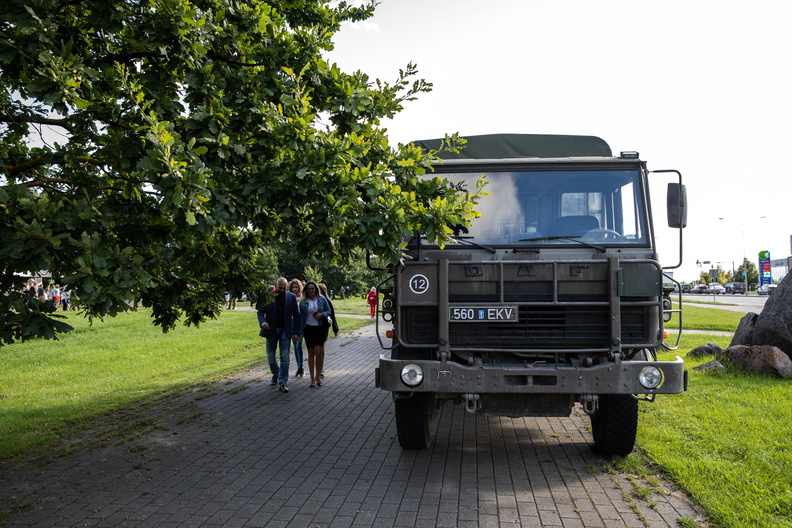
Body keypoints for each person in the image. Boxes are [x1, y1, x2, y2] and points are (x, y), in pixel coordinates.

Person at [257, 277, 301, 393]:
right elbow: (260, 312)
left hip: (285, 330)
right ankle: (276, 374)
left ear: (287, 287)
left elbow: (296, 316)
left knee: (284, 356)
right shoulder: (269, 296)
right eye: (280, 288)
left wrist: (296, 333)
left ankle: (282, 382)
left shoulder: (291, 297)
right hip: (271, 330)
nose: (282, 290)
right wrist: (263, 322)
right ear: (276, 286)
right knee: (270, 356)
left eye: (284, 288)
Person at [299, 280, 331, 388]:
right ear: (306, 290)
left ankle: (318, 376)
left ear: (316, 289)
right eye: (309, 289)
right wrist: (300, 334)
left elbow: (329, 311)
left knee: (319, 352)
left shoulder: (321, 299)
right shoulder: (303, 302)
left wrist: (321, 315)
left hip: (320, 328)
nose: (311, 291)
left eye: (313, 288)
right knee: (311, 354)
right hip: (308, 329)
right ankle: (312, 378)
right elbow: (301, 319)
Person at [318, 283, 339, 380]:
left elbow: (332, 316)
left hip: (324, 327)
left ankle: (320, 368)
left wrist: (335, 329)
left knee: (321, 348)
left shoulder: (327, 301)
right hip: (314, 327)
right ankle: (318, 368)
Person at [289, 278, 305, 378]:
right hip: (292, 324)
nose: (295, 289)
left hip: (300, 324)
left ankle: (301, 366)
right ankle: (299, 367)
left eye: (296, 287)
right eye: (293, 287)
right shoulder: (289, 298)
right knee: (295, 346)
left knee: (299, 346)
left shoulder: (302, 298)